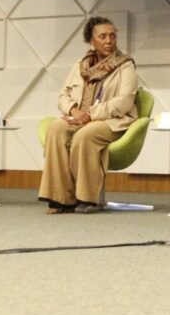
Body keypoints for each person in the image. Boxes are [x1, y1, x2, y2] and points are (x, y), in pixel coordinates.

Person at [39, 16, 138, 214]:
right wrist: (74, 111)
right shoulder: (80, 65)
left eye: (112, 36)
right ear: (92, 41)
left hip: (111, 121)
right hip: (79, 117)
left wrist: (90, 114)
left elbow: (125, 101)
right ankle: (61, 198)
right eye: (103, 36)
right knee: (56, 128)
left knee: (85, 135)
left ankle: (86, 197)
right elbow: (63, 95)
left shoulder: (125, 65)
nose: (109, 41)